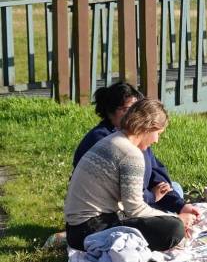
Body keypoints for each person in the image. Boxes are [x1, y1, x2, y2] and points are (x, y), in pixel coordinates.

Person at [65, 99, 195, 251]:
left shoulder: (112, 140)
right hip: (92, 231)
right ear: (148, 127)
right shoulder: (131, 154)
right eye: (158, 133)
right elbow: (134, 209)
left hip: (76, 229)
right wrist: (177, 219)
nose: (157, 140)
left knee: (169, 218)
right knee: (173, 229)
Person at [73, 83, 194, 215]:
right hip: (110, 210)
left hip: (142, 197)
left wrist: (179, 205)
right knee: (173, 225)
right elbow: (126, 197)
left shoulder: (136, 137)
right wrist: (152, 197)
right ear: (110, 111)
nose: (133, 115)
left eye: (135, 109)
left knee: (175, 188)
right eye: (127, 110)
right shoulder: (104, 140)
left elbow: (155, 171)